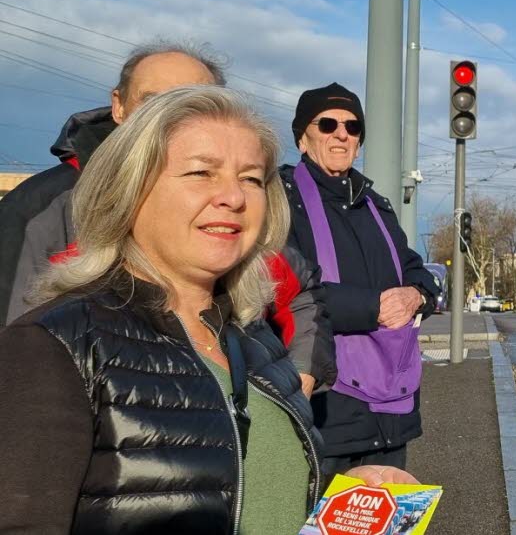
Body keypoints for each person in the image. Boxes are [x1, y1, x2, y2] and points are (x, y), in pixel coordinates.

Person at [0, 86, 416, 534]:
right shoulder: (54, 346)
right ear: (130, 187)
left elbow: (244, 485)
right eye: (202, 172)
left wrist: (339, 496)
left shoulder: (255, 339)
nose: (233, 197)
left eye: (252, 178)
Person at [0, 41, 326, 394]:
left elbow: (301, 292)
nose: (173, 116)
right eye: (154, 101)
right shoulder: (40, 207)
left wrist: (298, 380)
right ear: (119, 106)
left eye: (193, 101)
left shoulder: (239, 217)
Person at [281, 82, 438, 477]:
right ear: (303, 137)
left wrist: (417, 295)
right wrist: (374, 308)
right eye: (328, 123)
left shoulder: (377, 207)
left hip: (389, 412)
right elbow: (285, 290)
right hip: (326, 410)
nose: (341, 134)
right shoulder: (281, 201)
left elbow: (418, 269)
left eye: (352, 127)